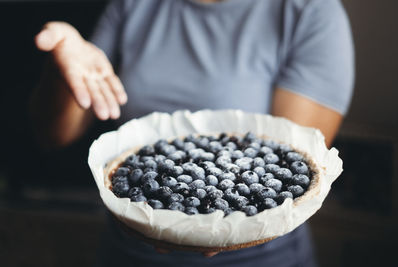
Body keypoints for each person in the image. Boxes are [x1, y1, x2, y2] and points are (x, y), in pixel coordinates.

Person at [31, 0, 354, 266]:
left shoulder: (310, 11)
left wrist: (216, 226)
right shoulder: (133, 5)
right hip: (130, 251)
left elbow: (293, 166)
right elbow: (54, 135)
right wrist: (62, 66)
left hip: (260, 257)